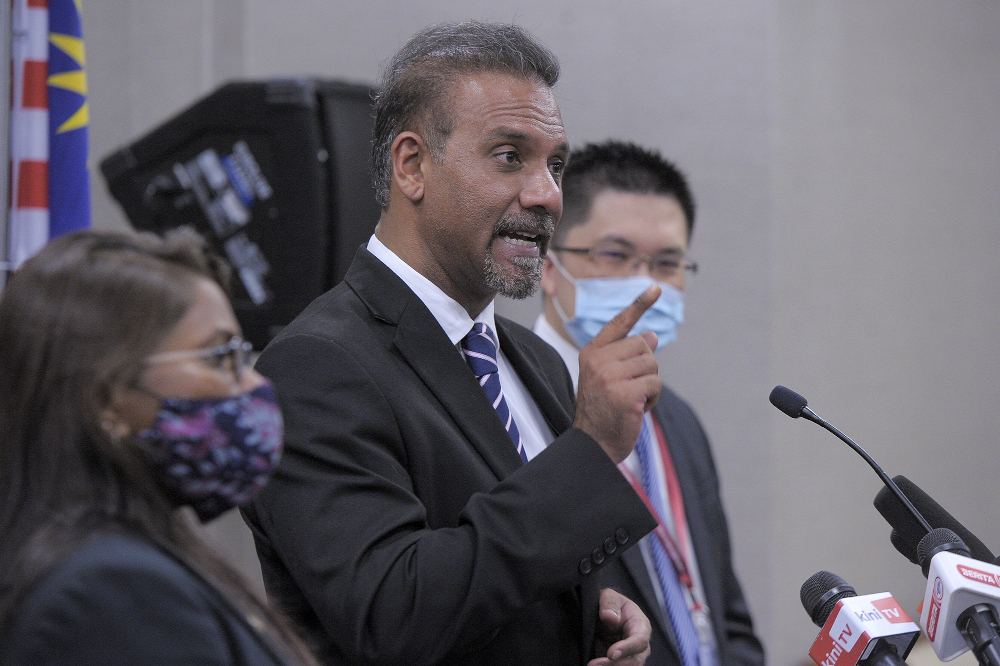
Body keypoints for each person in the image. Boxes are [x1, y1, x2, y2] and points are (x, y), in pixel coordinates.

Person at [241, 21, 664, 666]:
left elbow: (516, 567)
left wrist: (595, 611)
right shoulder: (313, 366)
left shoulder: (536, 360)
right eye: (508, 157)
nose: (547, 195)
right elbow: (394, 613)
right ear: (412, 165)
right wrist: (593, 449)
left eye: (554, 164)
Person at [0, 229, 319, 666]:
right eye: (219, 357)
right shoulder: (108, 592)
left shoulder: (125, 553)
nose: (255, 384)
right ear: (106, 399)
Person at [534, 141, 765, 666]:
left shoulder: (678, 419)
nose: (646, 286)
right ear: (549, 268)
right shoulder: (509, 408)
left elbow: (725, 614)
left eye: (666, 263)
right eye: (615, 256)